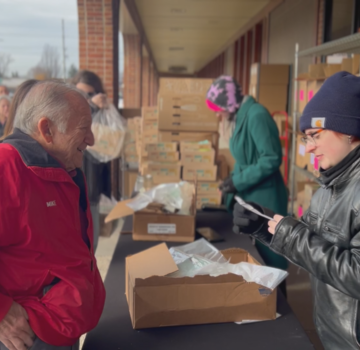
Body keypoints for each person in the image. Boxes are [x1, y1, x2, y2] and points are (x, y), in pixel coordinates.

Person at [233, 71, 360, 350]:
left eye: (314, 135)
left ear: (349, 130)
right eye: (305, 138)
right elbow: (312, 248)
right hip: (334, 334)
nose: (309, 147)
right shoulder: (331, 183)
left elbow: (356, 275)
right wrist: (263, 226)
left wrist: (288, 234)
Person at [0, 81, 105, 350]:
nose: (91, 139)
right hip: (26, 336)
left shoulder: (66, 169)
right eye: (84, 129)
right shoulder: (6, 168)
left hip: (58, 327)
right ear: (47, 129)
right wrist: (3, 313)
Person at [206, 76, 289, 285]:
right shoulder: (240, 116)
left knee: (270, 255)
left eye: (218, 107)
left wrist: (238, 181)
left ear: (229, 101)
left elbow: (271, 158)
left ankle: (279, 300)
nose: (217, 113)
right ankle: (263, 295)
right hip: (252, 192)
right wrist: (233, 178)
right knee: (258, 255)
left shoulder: (257, 115)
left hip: (266, 195)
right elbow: (246, 159)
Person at [71, 70, 112, 251]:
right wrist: (92, 107)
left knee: (91, 245)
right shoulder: (68, 113)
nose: (87, 98)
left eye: (91, 94)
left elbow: (111, 143)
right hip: (74, 186)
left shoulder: (103, 113)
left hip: (93, 186)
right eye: (82, 94)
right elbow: (73, 129)